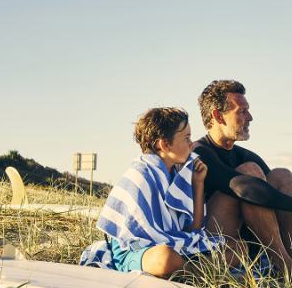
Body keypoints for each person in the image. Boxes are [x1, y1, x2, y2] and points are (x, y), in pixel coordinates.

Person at [193, 80, 292, 278]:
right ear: (218, 116)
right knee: (250, 174)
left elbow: (279, 189)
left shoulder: (244, 154)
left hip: (249, 239)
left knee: (282, 175)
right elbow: (245, 188)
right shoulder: (199, 151)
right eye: (242, 112)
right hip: (218, 243)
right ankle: (286, 266)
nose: (250, 117)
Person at [79, 107, 224, 278]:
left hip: (174, 246)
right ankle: (199, 272)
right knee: (165, 258)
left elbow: (194, 228)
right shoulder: (138, 177)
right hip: (135, 253)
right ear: (164, 144)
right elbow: (136, 242)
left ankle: (190, 271)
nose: (192, 144)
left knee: (236, 247)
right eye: (186, 138)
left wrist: (198, 183)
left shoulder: (178, 175)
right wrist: (170, 246)